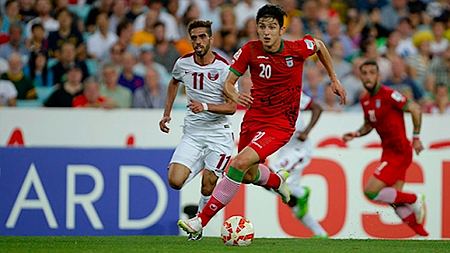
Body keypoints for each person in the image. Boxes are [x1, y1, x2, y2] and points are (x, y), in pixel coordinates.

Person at [177, 4, 346, 237]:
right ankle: (277, 181)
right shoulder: (250, 50)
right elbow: (228, 82)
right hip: (254, 118)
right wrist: (236, 95)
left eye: (272, 27)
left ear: (281, 30)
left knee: (237, 164)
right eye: (262, 27)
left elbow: (319, 45)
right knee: (247, 174)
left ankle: (200, 221)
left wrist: (334, 79)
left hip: (281, 124)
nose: (266, 32)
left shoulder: (296, 49)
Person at [159, 20, 236, 241]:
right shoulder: (183, 63)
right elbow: (174, 82)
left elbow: (232, 107)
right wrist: (167, 113)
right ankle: (201, 161)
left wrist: (206, 106)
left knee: (208, 183)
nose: (198, 41)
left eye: (202, 37)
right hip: (192, 133)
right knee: (174, 181)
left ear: (211, 39)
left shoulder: (224, 68)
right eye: (194, 37)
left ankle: (198, 223)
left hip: (218, 134)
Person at [342, 60, 428, 237]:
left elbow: (415, 108)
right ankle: (422, 233)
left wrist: (417, 137)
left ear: (378, 76)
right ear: (360, 77)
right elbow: (368, 124)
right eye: (364, 73)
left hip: (400, 152)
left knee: (371, 191)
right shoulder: (365, 100)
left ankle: (415, 198)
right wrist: (356, 134)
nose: (368, 77)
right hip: (388, 152)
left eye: (372, 73)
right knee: (394, 200)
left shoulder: (389, 94)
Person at [269, 91, 328, 238]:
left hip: (298, 149)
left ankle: (301, 192)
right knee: (289, 200)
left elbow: (317, 107)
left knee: (273, 176)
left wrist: (306, 132)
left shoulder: (291, 92)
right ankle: (320, 233)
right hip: (284, 150)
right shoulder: (266, 95)